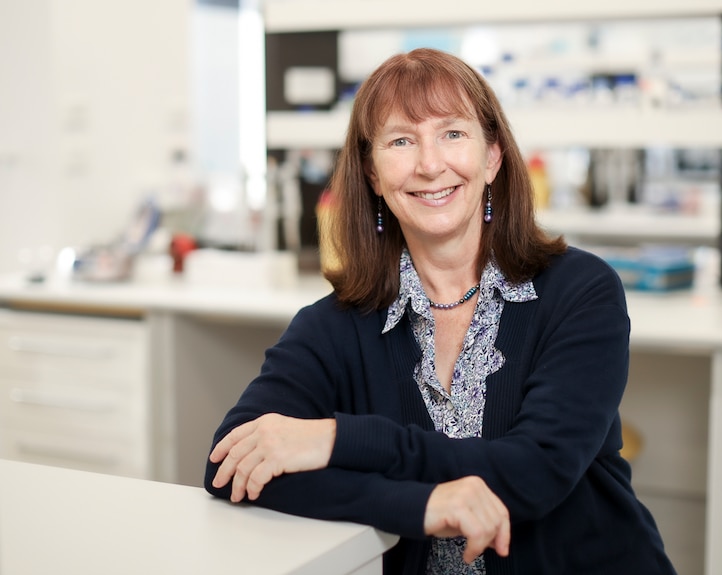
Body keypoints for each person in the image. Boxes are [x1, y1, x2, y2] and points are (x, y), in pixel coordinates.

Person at [205, 47, 676, 575]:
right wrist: (424, 507)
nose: (430, 165)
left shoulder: (580, 291)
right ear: (372, 173)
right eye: (402, 141)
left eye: (453, 133)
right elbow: (228, 466)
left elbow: (535, 471)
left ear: (493, 156)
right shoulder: (333, 326)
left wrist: (335, 439)